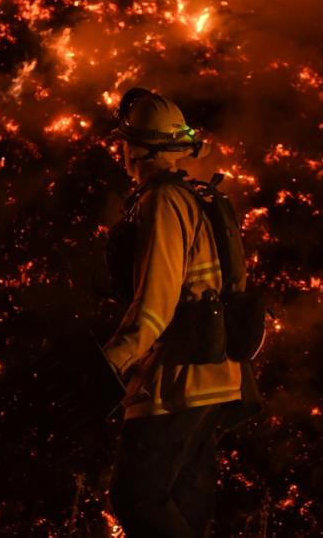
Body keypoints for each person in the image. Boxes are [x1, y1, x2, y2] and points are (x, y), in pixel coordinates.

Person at [103, 88, 262, 537]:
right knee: (182, 507)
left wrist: (111, 363)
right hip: (218, 377)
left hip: (179, 380)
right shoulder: (193, 197)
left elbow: (156, 301)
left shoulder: (163, 202)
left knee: (136, 498)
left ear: (135, 149)